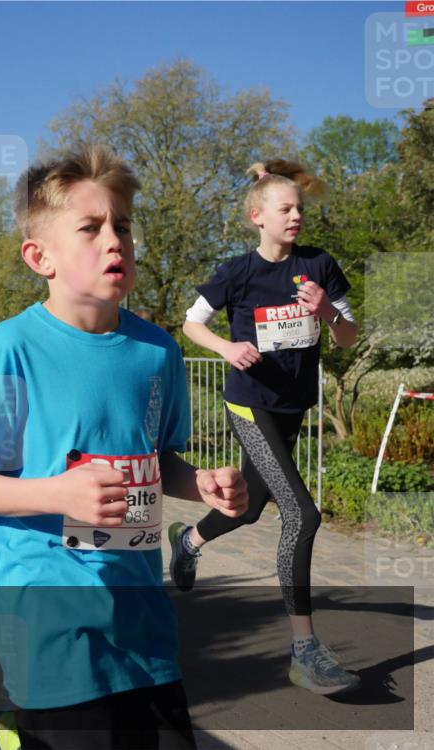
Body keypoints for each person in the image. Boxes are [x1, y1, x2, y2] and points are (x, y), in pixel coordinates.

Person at [0, 145, 248, 750]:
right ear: (39, 256)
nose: (114, 240)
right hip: (50, 618)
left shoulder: (158, 351)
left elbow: (156, 460)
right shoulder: (3, 350)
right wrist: (57, 492)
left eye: (122, 225)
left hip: (141, 619)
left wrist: (197, 482)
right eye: (91, 228)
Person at [174, 160, 360, 694]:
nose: (297, 214)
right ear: (259, 217)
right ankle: (304, 650)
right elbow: (192, 322)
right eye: (286, 208)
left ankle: (187, 540)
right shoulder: (238, 272)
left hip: (291, 405)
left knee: (251, 505)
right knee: (302, 514)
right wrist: (227, 348)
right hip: (249, 403)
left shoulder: (320, 265)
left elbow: (348, 336)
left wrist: (328, 312)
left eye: (300, 207)